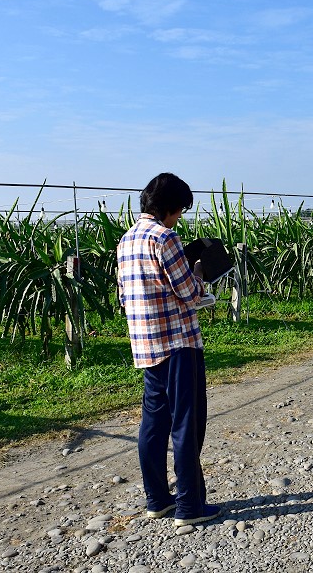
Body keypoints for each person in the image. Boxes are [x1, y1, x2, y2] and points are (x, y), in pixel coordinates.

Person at [117, 172, 222, 527]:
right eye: (180, 210)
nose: (180, 217)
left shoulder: (126, 241)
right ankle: (190, 506)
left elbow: (124, 295)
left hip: (147, 344)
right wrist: (198, 273)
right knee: (186, 424)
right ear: (172, 208)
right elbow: (189, 293)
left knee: (153, 424)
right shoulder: (165, 238)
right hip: (179, 344)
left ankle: (158, 499)